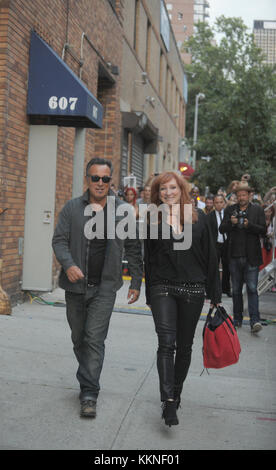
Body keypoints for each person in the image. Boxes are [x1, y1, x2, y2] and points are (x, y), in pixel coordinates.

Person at [52, 157, 143, 418]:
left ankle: (89, 392)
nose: (100, 183)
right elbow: (59, 240)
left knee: (94, 339)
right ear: (87, 179)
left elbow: (135, 248)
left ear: (110, 181)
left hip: (105, 287)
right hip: (75, 286)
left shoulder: (123, 210)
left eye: (105, 179)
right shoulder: (72, 208)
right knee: (79, 337)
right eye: (95, 178)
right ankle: (87, 376)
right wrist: (68, 264)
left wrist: (136, 281)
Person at [143, 171, 221, 427]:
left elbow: (212, 258)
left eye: (173, 188)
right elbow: (149, 258)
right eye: (163, 189)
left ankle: (176, 394)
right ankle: (167, 400)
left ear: (182, 189)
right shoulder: (153, 219)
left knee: (185, 347)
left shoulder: (202, 219)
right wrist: (149, 294)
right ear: (158, 193)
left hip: (193, 290)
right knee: (166, 344)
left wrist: (216, 295)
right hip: (162, 287)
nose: (168, 192)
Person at [219, 182, 266, 332]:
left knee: (252, 288)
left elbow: (263, 231)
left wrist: (249, 225)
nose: (241, 197)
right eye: (239, 195)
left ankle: (255, 321)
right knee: (236, 290)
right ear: (236, 196)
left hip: (251, 256)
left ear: (249, 195)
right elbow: (221, 229)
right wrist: (231, 223)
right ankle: (237, 319)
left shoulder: (257, 210)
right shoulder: (230, 210)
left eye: (244, 195)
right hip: (234, 256)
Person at [207, 194, 231, 297]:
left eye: (221, 202)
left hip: (226, 244)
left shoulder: (228, 214)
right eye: (216, 202)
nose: (219, 204)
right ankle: (211, 290)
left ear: (224, 203)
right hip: (215, 244)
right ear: (213, 204)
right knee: (213, 268)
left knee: (227, 267)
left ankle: (226, 289)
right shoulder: (209, 216)